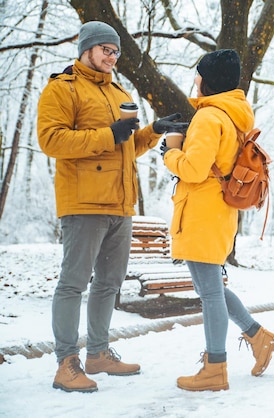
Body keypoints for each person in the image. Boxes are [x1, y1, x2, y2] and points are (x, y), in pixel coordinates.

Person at [37, 21, 187, 393]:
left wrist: (152, 132)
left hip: (120, 203)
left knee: (109, 283)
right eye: (106, 48)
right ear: (86, 49)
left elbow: (125, 147)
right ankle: (66, 362)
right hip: (84, 202)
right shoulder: (62, 88)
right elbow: (51, 139)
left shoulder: (117, 90)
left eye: (116, 51)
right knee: (73, 284)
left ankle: (99, 353)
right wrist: (110, 134)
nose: (112, 56)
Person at [161, 49, 274, 392]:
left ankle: (215, 368)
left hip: (201, 213)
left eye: (198, 74)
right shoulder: (231, 116)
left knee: (210, 293)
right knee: (210, 288)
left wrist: (171, 152)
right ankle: (259, 337)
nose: (195, 80)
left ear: (208, 80)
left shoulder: (209, 117)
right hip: (216, 213)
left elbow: (194, 169)